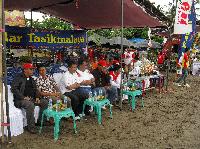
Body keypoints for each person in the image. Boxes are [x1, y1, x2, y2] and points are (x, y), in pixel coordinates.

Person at [11, 63, 48, 134]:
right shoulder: (19, 77)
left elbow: (35, 90)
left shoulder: (31, 78)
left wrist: (37, 97)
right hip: (20, 100)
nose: (33, 71)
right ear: (25, 70)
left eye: (33, 69)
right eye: (31, 69)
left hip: (31, 99)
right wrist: (23, 97)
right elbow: (14, 89)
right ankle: (31, 127)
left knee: (44, 102)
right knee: (30, 105)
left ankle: (41, 122)